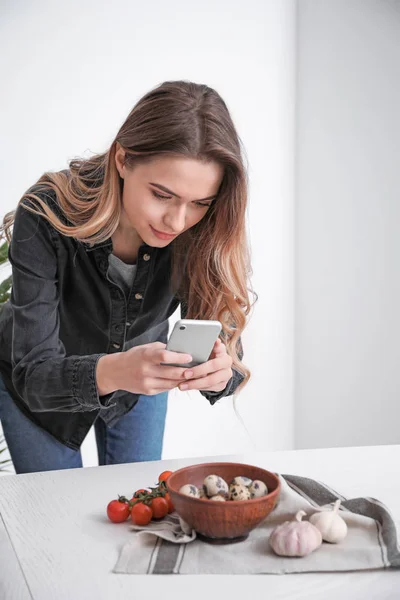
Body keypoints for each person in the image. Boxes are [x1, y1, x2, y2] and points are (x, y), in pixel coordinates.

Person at [0, 80, 254, 474]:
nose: (178, 221)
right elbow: (34, 376)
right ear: (123, 159)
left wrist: (220, 373)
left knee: (138, 509)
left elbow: (225, 345)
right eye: (162, 194)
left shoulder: (206, 229)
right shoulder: (46, 213)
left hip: (141, 384)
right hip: (37, 390)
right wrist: (116, 369)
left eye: (200, 203)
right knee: (54, 519)